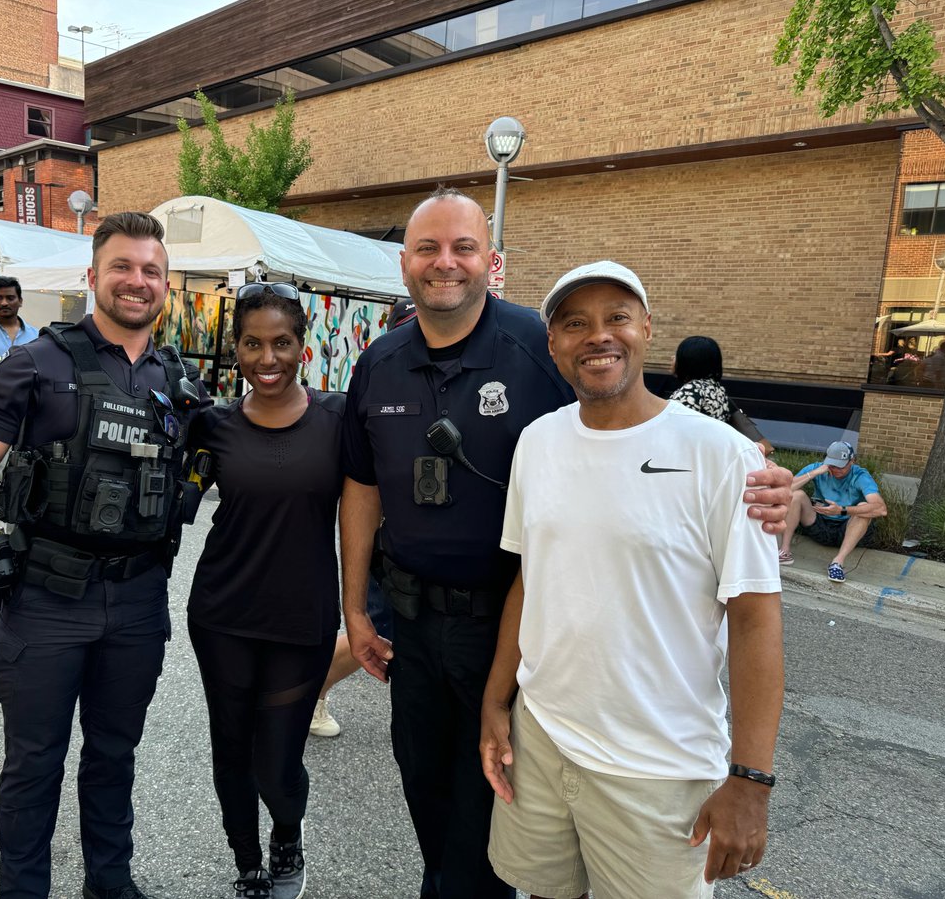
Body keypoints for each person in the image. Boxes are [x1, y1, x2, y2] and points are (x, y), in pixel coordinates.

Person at [339, 188, 794, 899]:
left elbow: (639, 430)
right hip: (427, 631)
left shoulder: (536, 350)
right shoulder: (392, 367)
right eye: (428, 248)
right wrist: (358, 611)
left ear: (492, 263)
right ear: (404, 264)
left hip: (525, 641)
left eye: (463, 247)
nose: (445, 263)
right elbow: (363, 485)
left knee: (483, 830)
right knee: (440, 801)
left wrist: (776, 494)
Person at [0, 211, 209, 899]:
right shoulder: (36, 364)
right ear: (93, 276)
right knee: (34, 765)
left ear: (166, 284)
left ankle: (110, 883)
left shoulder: (176, 380)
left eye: (151, 271)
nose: (138, 282)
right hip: (46, 602)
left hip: (137, 604)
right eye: (123, 268)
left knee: (113, 757)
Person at [480, 260, 784, 899]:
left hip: (659, 766)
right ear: (553, 344)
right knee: (545, 892)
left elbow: (755, 617)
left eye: (616, 318)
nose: (598, 336)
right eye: (575, 324)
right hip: (542, 736)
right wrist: (496, 700)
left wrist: (751, 781)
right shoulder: (537, 442)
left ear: (646, 328)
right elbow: (530, 581)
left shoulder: (720, 454)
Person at [188, 281, 343, 899]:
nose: (267, 358)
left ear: (303, 346)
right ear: (236, 349)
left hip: (301, 620)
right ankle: (247, 860)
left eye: (282, 342)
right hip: (223, 612)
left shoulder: (338, 418)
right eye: (253, 344)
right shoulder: (211, 423)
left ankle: (286, 833)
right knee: (230, 747)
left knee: (276, 763)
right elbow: (171, 507)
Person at [309, 295, 416, 740]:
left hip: (421, 542)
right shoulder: (380, 380)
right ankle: (306, 692)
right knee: (376, 628)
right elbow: (361, 480)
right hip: (388, 542)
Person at [778, 440, 887, 582]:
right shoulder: (818, 468)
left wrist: (841, 511)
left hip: (848, 529)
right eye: (832, 465)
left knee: (863, 508)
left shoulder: (860, 476)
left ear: (852, 461)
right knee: (796, 495)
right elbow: (784, 490)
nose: (836, 469)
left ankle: (838, 563)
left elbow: (881, 509)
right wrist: (815, 472)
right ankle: (785, 551)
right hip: (820, 524)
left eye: (840, 466)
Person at [669, 335, 731, 423]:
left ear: (689, 360)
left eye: (677, 354)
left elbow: (673, 426)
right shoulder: (716, 388)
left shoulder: (691, 391)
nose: (672, 357)